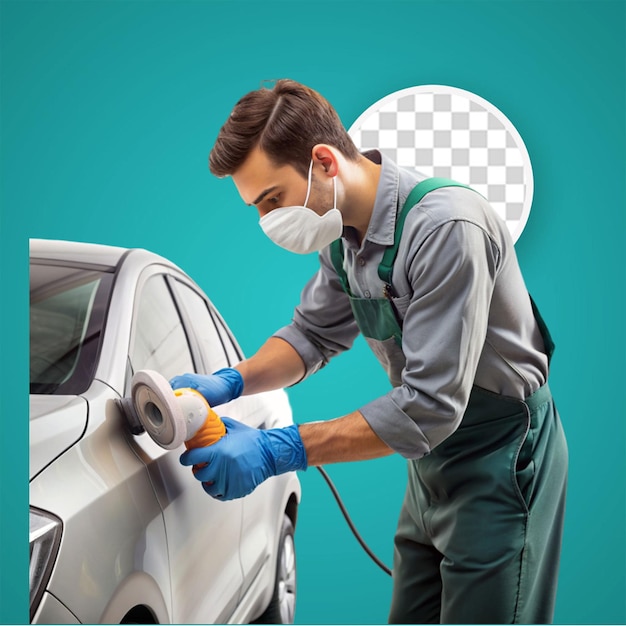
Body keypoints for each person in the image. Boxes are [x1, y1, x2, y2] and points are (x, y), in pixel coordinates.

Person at [171, 79, 568, 624]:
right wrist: (231, 381)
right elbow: (312, 335)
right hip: (428, 462)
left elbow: (429, 405)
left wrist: (277, 450)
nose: (267, 221)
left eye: (272, 199)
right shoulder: (341, 234)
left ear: (324, 162)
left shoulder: (445, 228)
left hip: (499, 454)